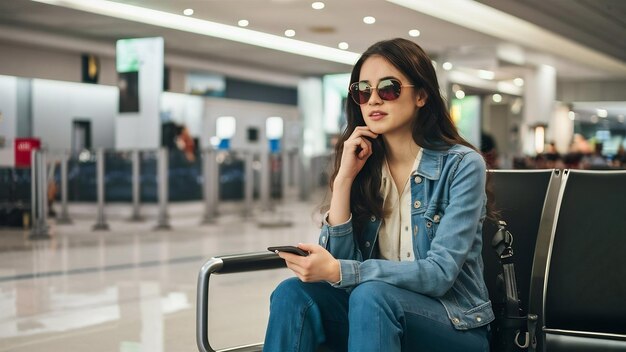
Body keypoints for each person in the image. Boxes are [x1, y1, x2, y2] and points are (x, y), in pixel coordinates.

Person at [264, 38, 494, 352]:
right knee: (293, 293)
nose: (373, 100)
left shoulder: (463, 165)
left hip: (453, 324)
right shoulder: (366, 163)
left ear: (422, 95)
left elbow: (440, 274)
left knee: (372, 295)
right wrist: (344, 180)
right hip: (373, 316)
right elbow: (341, 263)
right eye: (363, 91)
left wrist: (339, 271)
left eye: (388, 88)